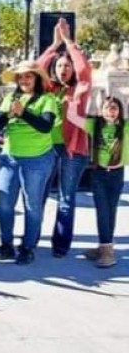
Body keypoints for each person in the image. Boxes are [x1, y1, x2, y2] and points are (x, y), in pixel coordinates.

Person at [36, 17, 92, 258]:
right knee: (37, 197)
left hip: (73, 152)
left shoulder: (80, 89)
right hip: (47, 150)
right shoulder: (49, 89)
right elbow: (36, 67)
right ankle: (31, 241)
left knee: (66, 200)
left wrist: (69, 42)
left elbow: (84, 69)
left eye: (67, 66)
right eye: (59, 66)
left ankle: (60, 245)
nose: (64, 69)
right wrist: (54, 45)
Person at [0, 61, 57, 265]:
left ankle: (28, 247)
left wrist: (23, 113)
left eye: (29, 76)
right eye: (21, 77)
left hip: (37, 159)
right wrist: (9, 113)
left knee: (32, 205)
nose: (24, 80)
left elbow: (45, 126)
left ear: (36, 78)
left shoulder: (47, 100)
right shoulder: (11, 98)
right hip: (10, 157)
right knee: (4, 204)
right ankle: (6, 244)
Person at [67, 93, 123, 268]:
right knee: (102, 211)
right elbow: (72, 117)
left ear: (120, 111)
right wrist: (74, 98)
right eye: (107, 108)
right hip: (99, 174)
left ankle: (106, 247)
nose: (111, 112)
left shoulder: (125, 127)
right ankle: (105, 248)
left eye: (114, 108)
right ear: (100, 110)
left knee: (111, 210)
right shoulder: (95, 126)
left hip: (117, 174)